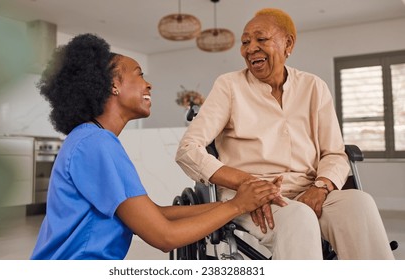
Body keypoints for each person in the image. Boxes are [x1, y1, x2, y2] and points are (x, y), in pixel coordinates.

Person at [29, 33, 283, 260]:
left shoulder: (91, 139)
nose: (148, 84)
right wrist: (237, 206)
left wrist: (241, 202)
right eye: (139, 74)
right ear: (112, 85)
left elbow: (155, 213)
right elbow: (164, 236)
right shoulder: (96, 144)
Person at [175, 8, 395, 260]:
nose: (250, 48)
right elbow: (188, 149)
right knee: (298, 217)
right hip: (252, 198)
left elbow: (334, 152)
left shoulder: (313, 87)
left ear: (288, 43)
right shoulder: (229, 86)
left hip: (310, 190)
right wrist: (247, 184)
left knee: (359, 203)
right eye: (245, 42)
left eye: (261, 39)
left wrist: (322, 187)